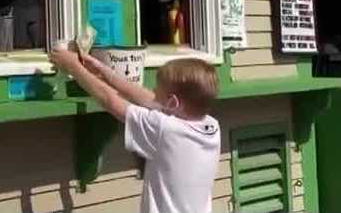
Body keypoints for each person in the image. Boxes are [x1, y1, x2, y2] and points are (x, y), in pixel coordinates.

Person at [51, 47, 221, 213]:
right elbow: (147, 98)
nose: (153, 91)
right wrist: (103, 71)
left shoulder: (166, 129)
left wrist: (73, 66)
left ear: (173, 103)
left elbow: (110, 101)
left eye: (158, 90)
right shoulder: (211, 125)